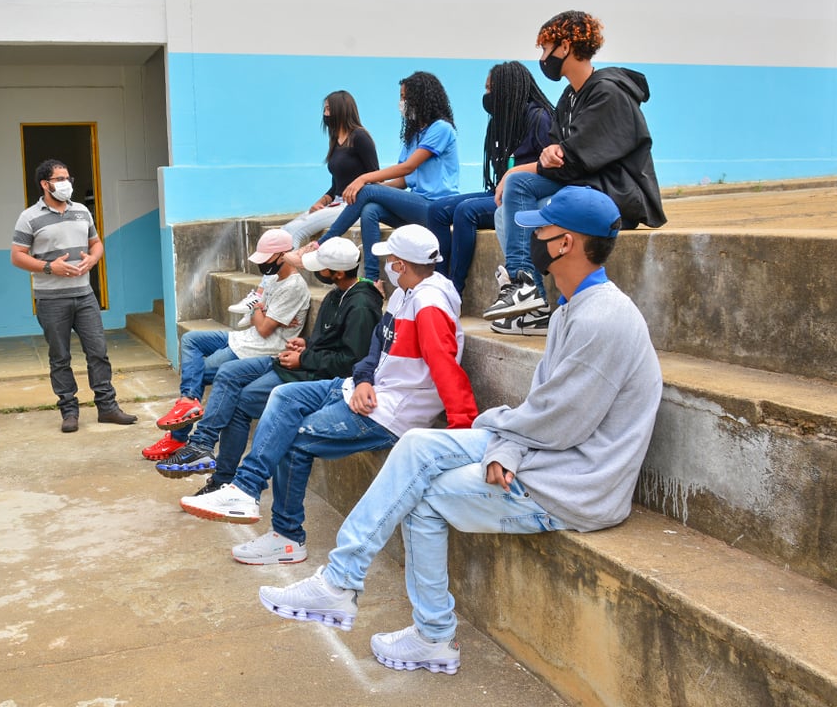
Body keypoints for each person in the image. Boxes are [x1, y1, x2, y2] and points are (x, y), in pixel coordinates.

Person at [257, 187, 663, 676]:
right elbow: (546, 410)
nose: (530, 236)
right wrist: (510, 446)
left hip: (574, 483)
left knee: (421, 496)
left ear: (565, 244)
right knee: (415, 447)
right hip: (547, 452)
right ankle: (341, 584)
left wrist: (500, 435)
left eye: (540, 230)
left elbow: (560, 421)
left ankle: (427, 633)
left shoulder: (602, 318)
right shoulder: (571, 308)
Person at [179, 225, 478, 566]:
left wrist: (461, 434)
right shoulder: (402, 295)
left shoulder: (430, 304)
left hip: (390, 412)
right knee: (285, 396)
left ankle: (287, 538)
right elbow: (375, 349)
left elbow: (446, 370)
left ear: (401, 265)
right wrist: (364, 379)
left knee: (294, 439)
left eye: (390, 261)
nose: (387, 268)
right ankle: (245, 489)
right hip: (364, 390)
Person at [153, 238, 384, 505]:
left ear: (338, 273)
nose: (316, 272)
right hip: (297, 360)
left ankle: (222, 480)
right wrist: (306, 344)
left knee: (241, 402)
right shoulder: (336, 295)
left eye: (321, 267)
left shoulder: (361, 306)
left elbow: (351, 361)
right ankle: (202, 445)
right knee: (228, 373)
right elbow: (332, 341)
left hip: (310, 373)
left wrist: (304, 358)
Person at [483, 10, 666, 325]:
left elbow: (577, 159)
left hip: (615, 193)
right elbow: (557, 153)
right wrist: (549, 154)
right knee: (505, 212)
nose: (543, 58)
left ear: (565, 46)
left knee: (528, 199)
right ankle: (533, 300)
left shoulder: (609, 94)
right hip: (583, 185)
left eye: (545, 49)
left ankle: (528, 287)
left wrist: (523, 169)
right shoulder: (569, 98)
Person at [147, 229, 311, 458]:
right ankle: (187, 402)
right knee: (191, 339)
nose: (263, 265)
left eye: (266, 259)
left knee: (201, 372)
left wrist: (257, 309)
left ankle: (179, 437)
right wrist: (260, 310)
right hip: (244, 338)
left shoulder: (293, 286)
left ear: (283, 255)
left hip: (262, 348)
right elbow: (259, 310)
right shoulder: (274, 278)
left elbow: (264, 329)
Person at [11, 159, 137, 433]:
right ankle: (69, 412)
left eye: (68, 177)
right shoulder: (29, 217)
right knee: (60, 357)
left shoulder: (81, 211)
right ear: (45, 184)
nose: (66, 183)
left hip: (85, 295)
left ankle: (107, 407)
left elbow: (97, 243)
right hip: (51, 299)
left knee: (98, 352)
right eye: (60, 178)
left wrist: (93, 260)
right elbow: (17, 257)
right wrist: (49, 267)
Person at [425, 62, 553, 330]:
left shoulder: (538, 118)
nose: (486, 95)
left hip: (523, 194)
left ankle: (455, 291)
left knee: (466, 211)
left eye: (490, 88)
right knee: (437, 210)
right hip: (498, 191)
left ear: (508, 89)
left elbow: (549, 167)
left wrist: (513, 175)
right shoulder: (500, 123)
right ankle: (440, 282)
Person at [300, 72, 460, 282]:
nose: (402, 103)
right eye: (401, 97)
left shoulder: (441, 129)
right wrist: (378, 192)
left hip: (436, 206)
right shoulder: (413, 136)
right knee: (370, 208)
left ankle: (322, 243)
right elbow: (403, 182)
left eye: (405, 97)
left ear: (421, 99)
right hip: (417, 204)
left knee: (367, 189)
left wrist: (365, 181)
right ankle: (372, 280)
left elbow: (407, 167)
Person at [279, 90, 380, 248]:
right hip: (337, 203)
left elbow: (376, 177)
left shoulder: (360, 137)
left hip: (354, 206)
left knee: (294, 231)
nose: (325, 114)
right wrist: (320, 202)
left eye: (328, 109)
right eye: (324, 110)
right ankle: (280, 272)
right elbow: (336, 186)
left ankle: (292, 272)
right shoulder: (335, 141)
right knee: (284, 231)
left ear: (341, 110)